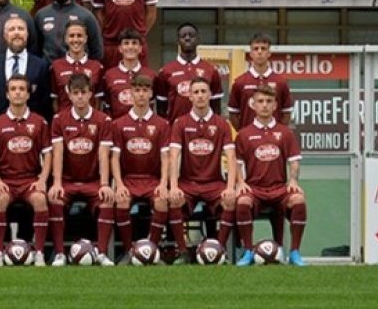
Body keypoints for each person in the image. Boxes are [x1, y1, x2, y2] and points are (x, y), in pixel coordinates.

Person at [234, 85, 306, 266]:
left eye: (268, 101)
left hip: (279, 188)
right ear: (253, 105)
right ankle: (248, 251)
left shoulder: (285, 132)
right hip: (255, 189)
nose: (264, 105)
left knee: (298, 200)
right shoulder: (244, 134)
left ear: (275, 105)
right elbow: (237, 164)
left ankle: (294, 252)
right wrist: (240, 182)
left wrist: (293, 180)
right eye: (260, 101)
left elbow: (294, 161)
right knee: (242, 201)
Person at [47, 73, 115, 266]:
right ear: (69, 94)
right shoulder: (59, 120)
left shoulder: (103, 120)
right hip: (68, 181)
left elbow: (104, 154)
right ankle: (59, 253)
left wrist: (105, 184)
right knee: (54, 198)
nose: (80, 97)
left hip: (92, 181)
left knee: (107, 200)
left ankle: (102, 253)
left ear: (90, 94)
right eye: (75, 93)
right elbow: (58, 153)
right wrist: (57, 183)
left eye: (83, 93)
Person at [168, 77, 238, 263]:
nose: (200, 96)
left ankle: (220, 251)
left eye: (203, 92)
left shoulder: (222, 124)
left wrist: (230, 187)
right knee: (174, 201)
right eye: (196, 92)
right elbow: (174, 155)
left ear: (210, 95)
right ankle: (183, 252)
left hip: (214, 183)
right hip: (188, 183)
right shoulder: (180, 123)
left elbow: (231, 157)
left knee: (230, 202)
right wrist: (173, 186)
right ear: (190, 96)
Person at [0, 74, 52, 267]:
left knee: (40, 199)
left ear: (28, 94)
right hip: (6, 180)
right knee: (0, 200)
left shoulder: (39, 122)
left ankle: (39, 253)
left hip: (29, 180)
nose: (17, 93)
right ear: (7, 94)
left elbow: (48, 155)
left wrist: (42, 180)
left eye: (22, 89)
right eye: (13, 89)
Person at [108, 74, 172, 262]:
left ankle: (150, 251)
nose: (141, 94)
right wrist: (119, 184)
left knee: (161, 201)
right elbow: (114, 158)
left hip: (152, 180)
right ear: (131, 93)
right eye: (137, 90)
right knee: (121, 201)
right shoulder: (119, 124)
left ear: (151, 93)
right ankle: (130, 252)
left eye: (145, 90)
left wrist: (163, 184)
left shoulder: (162, 124)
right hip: (129, 179)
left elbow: (166, 157)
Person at [155, 23, 224, 123]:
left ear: (198, 40)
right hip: (175, 129)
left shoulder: (211, 70)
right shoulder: (166, 71)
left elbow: (216, 108)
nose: (187, 38)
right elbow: (161, 109)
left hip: (204, 129)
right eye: (183, 36)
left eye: (191, 35)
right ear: (177, 41)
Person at [34, 0, 102, 62]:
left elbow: (97, 50)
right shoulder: (41, 15)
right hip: (48, 69)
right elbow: (35, 49)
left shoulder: (86, 16)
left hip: (77, 70)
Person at [0, 18, 51, 120]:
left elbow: (45, 102)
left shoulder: (41, 65)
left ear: (27, 34)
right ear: (5, 36)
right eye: (12, 29)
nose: (17, 33)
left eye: (21, 29)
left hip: (31, 125)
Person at [228, 33, 294, 130]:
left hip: (274, 137)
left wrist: (278, 133)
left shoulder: (281, 82)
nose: (259, 52)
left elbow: (286, 113)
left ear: (269, 53)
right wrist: (245, 134)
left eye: (263, 49)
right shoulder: (240, 82)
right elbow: (233, 114)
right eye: (256, 49)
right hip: (248, 138)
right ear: (251, 54)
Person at [99, 29, 157, 120]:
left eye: (134, 43)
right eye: (126, 43)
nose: (130, 47)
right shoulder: (109, 75)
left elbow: (153, 105)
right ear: (120, 48)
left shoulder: (151, 75)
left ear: (140, 48)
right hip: (116, 126)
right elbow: (106, 108)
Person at [49, 21, 104, 114]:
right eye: (71, 36)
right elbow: (55, 100)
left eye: (79, 36)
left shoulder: (97, 67)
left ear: (85, 38)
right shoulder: (55, 66)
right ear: (66, 39)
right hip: (64, 120)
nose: (75, 40)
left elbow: (98, 100)